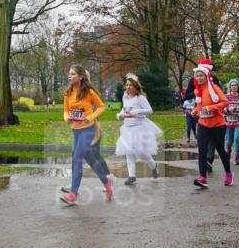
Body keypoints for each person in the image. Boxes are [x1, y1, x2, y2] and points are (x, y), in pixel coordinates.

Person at [60, 64, 113, 206]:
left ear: (81, 77)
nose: (69, 76)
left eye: (73, 74)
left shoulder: (89, 92)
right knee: (89, 159)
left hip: (88, 129)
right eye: (69, 73)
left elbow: (101, 107)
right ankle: (106, 182)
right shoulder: (68, 93)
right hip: (75, 130)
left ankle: (73, 194)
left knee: (76, 158)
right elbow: (66, 110)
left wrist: (90, 117)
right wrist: (67, 118)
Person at [115, 73, 162, 185]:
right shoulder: (125, 96)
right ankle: (131, 176)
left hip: (139, 128)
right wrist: (120, 114)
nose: (128, 87)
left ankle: (154, 165)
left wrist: (138, 111)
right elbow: (124, 108)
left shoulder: (140, 98)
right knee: (129, 152)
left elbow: (150, 110)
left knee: (142, 152)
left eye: (130, 85)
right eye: (127, 85)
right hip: (127, 128)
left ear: (136, 87)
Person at [191, 63, 232, 189]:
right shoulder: (197, 90)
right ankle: (202, 177)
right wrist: (195, 111)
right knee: (202, 150)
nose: (199, 78)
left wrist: (211, 108)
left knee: (220, 150)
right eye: (197, 76)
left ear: (207, 76)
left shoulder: (214, 88)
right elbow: (200, 105)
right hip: (203, 124)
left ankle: (229, 173)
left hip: (217, 125)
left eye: (201, 75)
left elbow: (225, 102)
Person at [184, 58, 216, 172]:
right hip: (200, 110)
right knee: (203, 136)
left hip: (213, 111)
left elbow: (220, 93)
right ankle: (205, 159)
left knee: (212, 137)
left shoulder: (214, 79)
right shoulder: (194, 80)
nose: (201, 76)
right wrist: (197, 92)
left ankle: (209, 160)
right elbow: (187, 95)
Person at [223, 79, 239, 166]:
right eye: (232, 85)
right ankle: (228, 153)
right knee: (229, 142)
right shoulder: (226, 96)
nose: (234, 87)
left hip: (238, 121)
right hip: (228, 122)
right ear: (230, 87)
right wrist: (228, 109)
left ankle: (237, 158)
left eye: (235, 85)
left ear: (238, 86)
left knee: (237, 139)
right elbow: (222, 108)